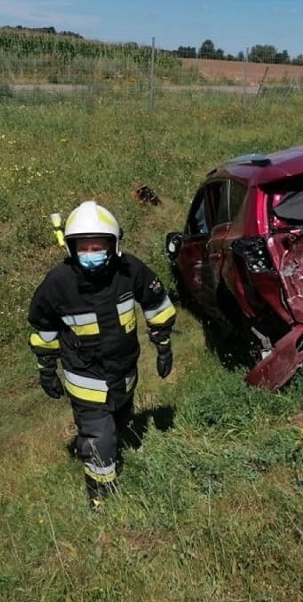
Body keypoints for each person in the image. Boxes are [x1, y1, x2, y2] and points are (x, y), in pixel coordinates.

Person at [28, 200, 176, 510]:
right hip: (87, 379)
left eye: (99, 245)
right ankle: (101, 496)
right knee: (100, 437)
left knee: (121, 423)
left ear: (115, 244)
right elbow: (43, 328)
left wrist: (163, 345)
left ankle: (112, 451)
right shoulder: (58, 283)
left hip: (124, 374)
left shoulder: (130, 269)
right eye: (84, 246)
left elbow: (156, 302)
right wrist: (46, 368)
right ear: (71, 247)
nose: (92, 253)